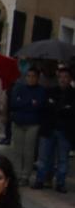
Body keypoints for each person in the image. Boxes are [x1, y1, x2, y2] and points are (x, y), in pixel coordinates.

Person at [35, 64, 73, 192]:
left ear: (70, 79)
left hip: (64, 130)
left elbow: (71, 112)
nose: (63, 79)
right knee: (44, 157)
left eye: (66, 77)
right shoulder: (51, 91)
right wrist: (61, 109)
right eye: (61, 77)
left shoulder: (73, 94)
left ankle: (60, 182)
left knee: (62, 158)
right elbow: (45, 108)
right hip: (49, 128)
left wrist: (60, 109)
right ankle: (40, 179)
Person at [6, 66, 46, 176]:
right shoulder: (19, 88)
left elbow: (39, 106)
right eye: (28, 76)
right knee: (17, 150)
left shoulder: (41, 90)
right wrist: (29, 102)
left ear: (38, 78)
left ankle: (25, 174)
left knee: (29, 151)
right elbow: (14, 104)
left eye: (33, 76)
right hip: (18, 122)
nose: (30, 79)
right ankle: (17, 173)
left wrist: (23, 103)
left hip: (32, 124)